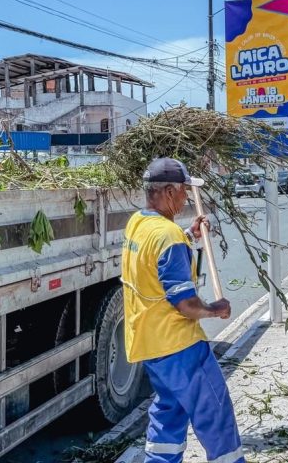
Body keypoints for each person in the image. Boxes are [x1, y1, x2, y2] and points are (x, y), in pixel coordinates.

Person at [121, 158, 244, 463]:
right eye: (184, 192)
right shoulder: (168, 236)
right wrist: (216, 309)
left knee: (169, 413)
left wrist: (191, 235)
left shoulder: (138, 223)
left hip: (149, 344)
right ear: (169, 191)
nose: (186, 198)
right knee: (214, 413)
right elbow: (186, 305)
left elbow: (153, 261)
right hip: (179, 346)